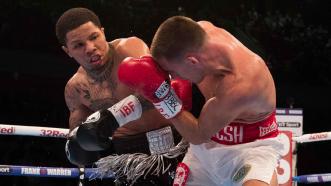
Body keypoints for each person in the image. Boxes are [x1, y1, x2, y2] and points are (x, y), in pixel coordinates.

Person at [117, 16, 284, 186]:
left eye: (171, 71)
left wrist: (164, 98)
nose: (171, 77)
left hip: (250, 149)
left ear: (192, 61)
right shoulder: (198, 36)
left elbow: (197, 135)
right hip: (206, 148)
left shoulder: (241, 85)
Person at [55, 8, 193, 185]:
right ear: (68, 51)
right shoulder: (75, 89)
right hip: (128, 160)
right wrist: (78, 145)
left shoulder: (129, 48)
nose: (90, 48)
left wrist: (113, 116)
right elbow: (79, 142)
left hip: (172, 144)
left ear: (103, 33)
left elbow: (156, 89)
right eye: (78, 45)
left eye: (94, 37)